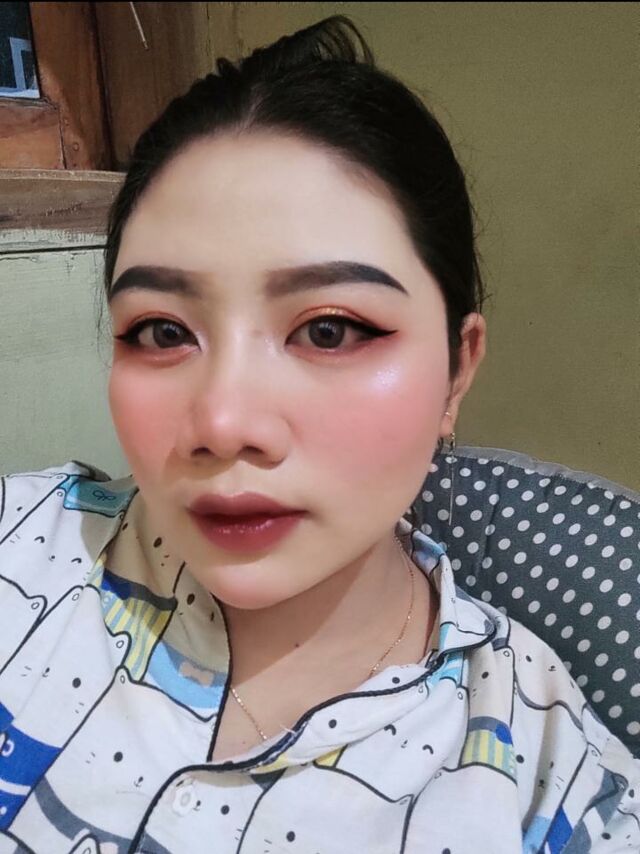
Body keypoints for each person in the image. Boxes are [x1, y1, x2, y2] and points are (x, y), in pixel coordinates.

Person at [0, 15, 637, 854]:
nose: (224, 423)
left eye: (329, 330)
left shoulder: (551, 790)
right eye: (161, 331)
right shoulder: (20, 551)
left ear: (456, 370)